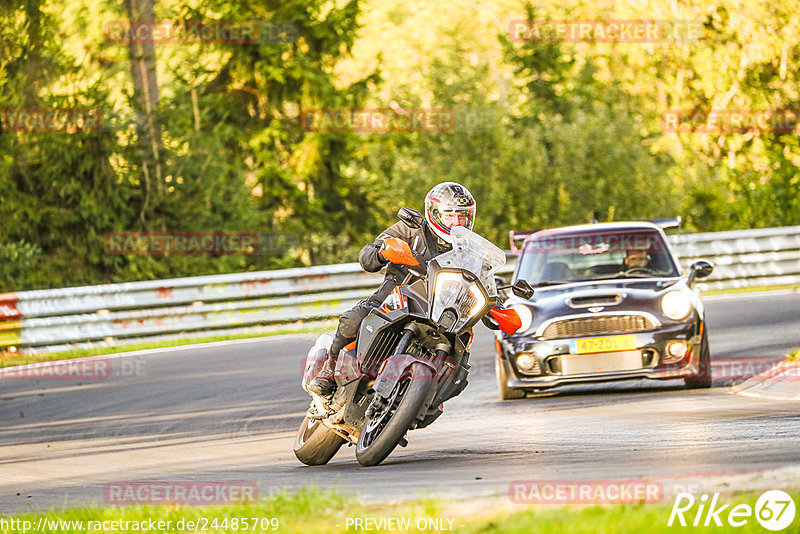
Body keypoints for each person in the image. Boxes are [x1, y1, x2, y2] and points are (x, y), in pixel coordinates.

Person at [306, 182, 477, 396]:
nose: (457, 222)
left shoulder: (470, 252)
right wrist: (383, 252)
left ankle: (427, 399)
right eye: (450, 215)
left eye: (462, 216)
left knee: (459, 365)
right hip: (394, 297)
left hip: (443, 314)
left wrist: (498, 302)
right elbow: (368, 256)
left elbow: (485, 280)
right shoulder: (410, 230)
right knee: (354, 319)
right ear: (434, 213)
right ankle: (328, 369)